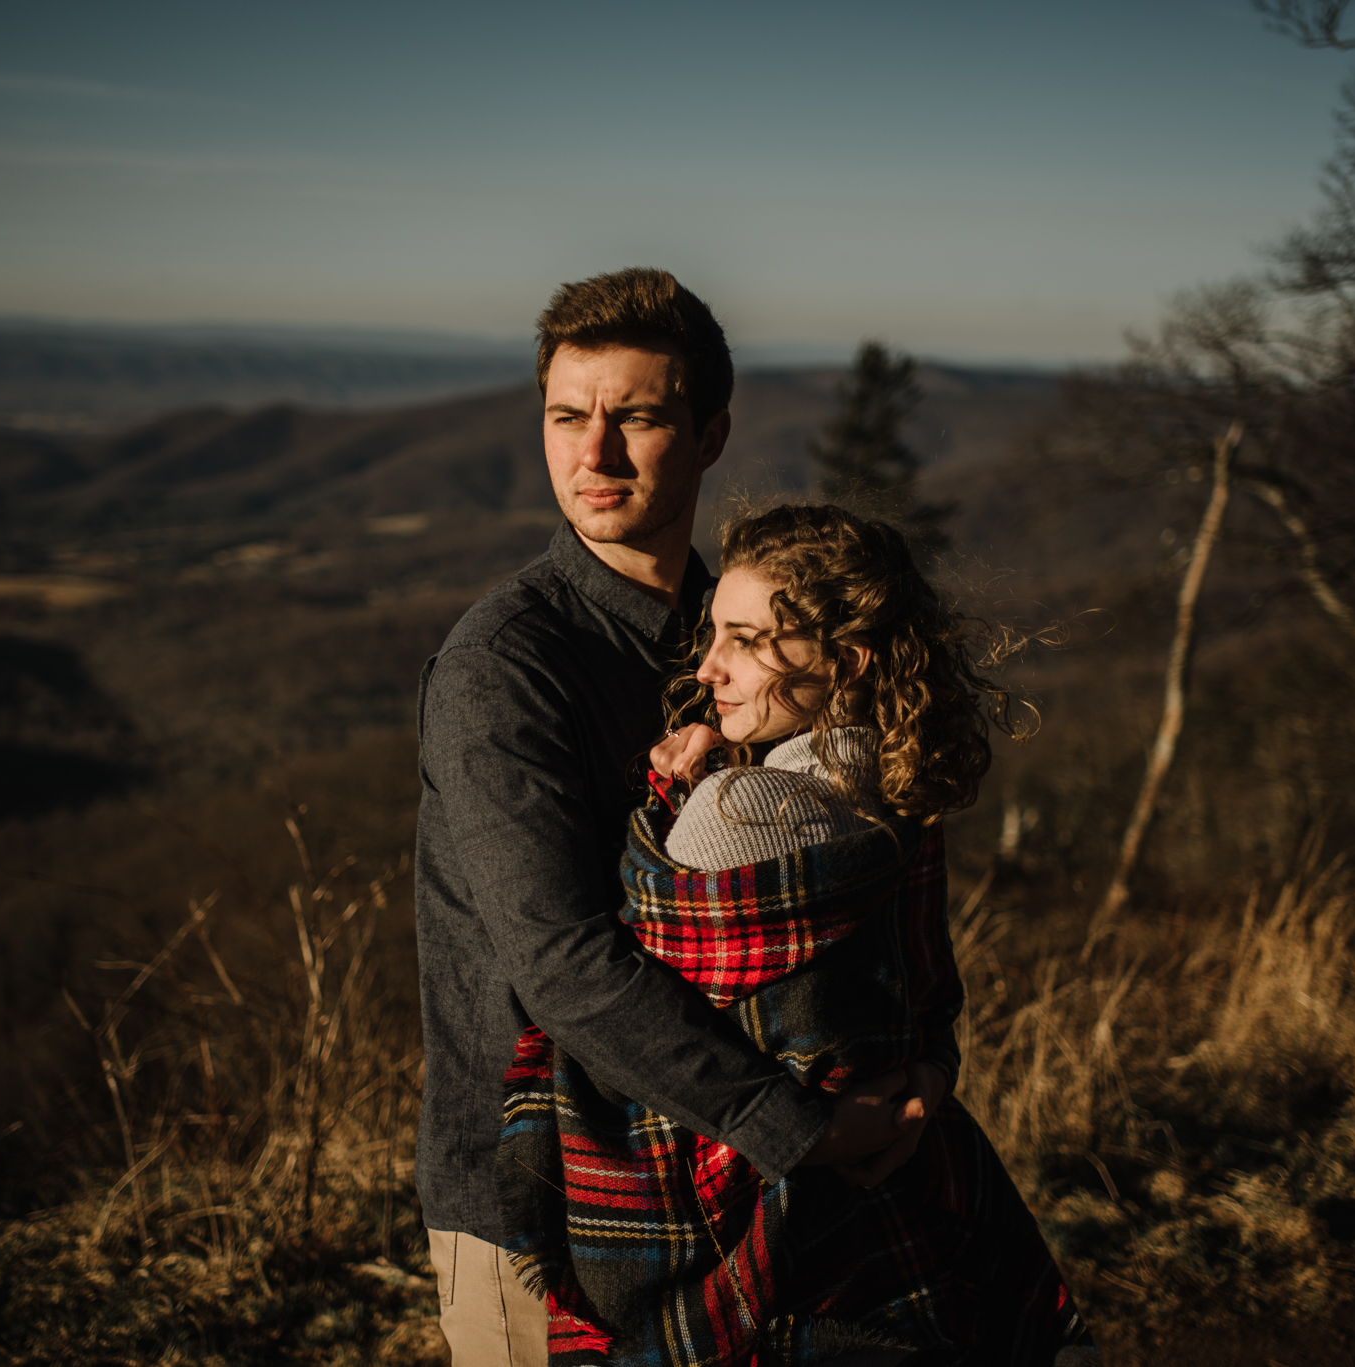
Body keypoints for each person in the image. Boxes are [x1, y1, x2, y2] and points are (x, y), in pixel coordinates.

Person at [415, 270, 933, 1367]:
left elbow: (878, 854)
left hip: (746, 1186)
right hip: (548, 1199)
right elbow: (559, 960)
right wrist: (799, 1129)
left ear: (709, 433)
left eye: (636, 416)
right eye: (566, 416)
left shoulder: (749, 627)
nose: (592, 454)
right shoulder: (505, 666)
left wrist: (914, 1073)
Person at [497, 503, 1098, 1366]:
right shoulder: (899, 795)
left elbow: (623, 993)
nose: (708, 667)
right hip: (897, 1197)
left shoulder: (734, 810)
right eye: (714, 633)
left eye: (747, 638)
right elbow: (917, 984)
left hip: (744, 1225)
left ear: (843, 660)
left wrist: (682, 799)